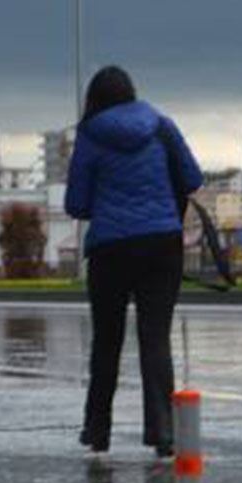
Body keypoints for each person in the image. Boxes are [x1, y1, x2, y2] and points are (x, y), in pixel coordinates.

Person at [65, 66, 201, 457]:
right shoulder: (161, 125)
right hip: (162, 244)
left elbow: (76, 203)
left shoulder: (90, 135)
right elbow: (191, 178)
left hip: (110, 249)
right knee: (155, 337)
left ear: (94, 99)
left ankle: (97, 430)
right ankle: (163, 433)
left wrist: (106, 203)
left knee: (106, 341)